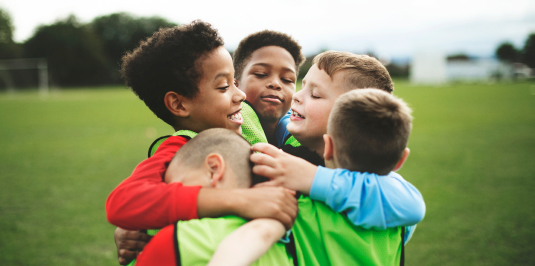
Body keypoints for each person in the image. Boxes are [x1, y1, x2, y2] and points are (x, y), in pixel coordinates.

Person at [106, 21, 298, 265]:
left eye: (235, 83)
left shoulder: (244, 115)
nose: (240, 95)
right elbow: (123, 202)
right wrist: (243, 200)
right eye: (224, 86)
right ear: (178, 104)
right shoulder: (179, 148)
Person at [245, 52, 424, 265]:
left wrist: (312, 177)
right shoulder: (292, 130)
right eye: (302, 86)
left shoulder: (382, 191)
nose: (296, 96)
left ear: (348, 116)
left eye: (316, 95)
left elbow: (412, 205)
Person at [135, 128, 295, 266]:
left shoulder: (179, 239)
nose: (173, 198)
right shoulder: (286, 241)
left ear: (214, 170)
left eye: (177, 186)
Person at [232, 30, 305, 146]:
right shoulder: (214, 137)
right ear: (235, 85)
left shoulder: (311, 141)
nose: (275, 84)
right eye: (261, 74)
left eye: (287, 79)